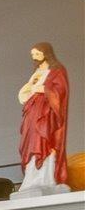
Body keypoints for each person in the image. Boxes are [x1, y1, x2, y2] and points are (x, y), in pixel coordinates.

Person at [16, 41, 71, 197]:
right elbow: (28, 90)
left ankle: (45, 178)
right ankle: (31, 178)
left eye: (37, 53)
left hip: (47, 114)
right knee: (30, 141)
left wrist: (42, 89)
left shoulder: (57, 71)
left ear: (46, 53)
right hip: (32, 112)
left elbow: (60, 91)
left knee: (43, 141)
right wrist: (27, 92)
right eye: (33, 54)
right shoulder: (37, 72)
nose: (35, 57)